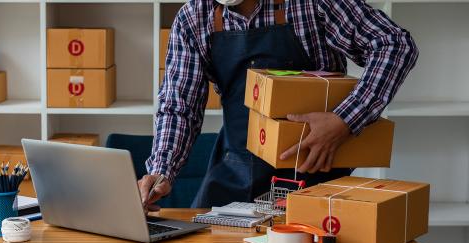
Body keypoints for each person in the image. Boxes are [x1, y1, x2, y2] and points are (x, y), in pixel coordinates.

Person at [139, 0, 418, 210]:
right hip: (236, 173)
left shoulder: (311, 4)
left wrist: (345, 120)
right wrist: (162, 170)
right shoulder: (195, 16)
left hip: (315, 174)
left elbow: (395, 44)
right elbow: (179, 105)